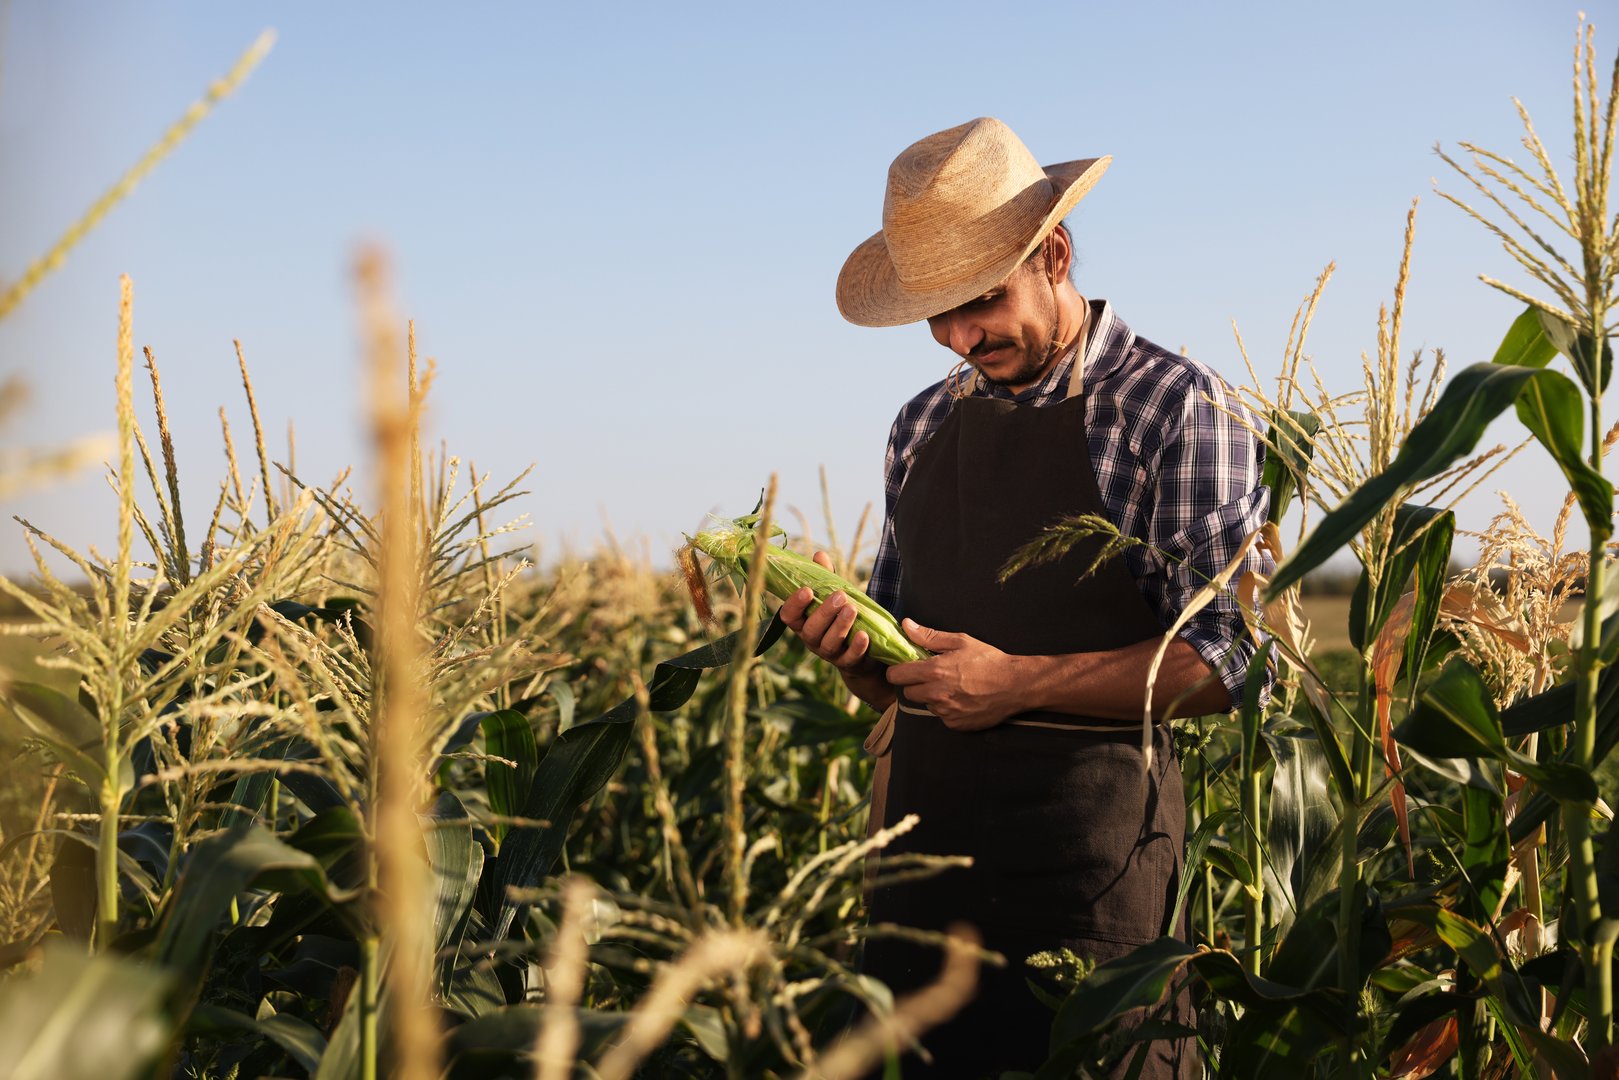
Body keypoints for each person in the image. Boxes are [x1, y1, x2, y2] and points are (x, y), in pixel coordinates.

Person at [781, 117, 1271, 1078]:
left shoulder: (1175, 409)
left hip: (1090, 900)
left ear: (1053, 255)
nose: (961, 337)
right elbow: (903, 689)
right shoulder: (919, 425)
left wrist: (1016, 684)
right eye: (938, 314)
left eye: (982, 302)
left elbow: (1230, 657)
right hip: (921, 899)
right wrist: (851, 654)